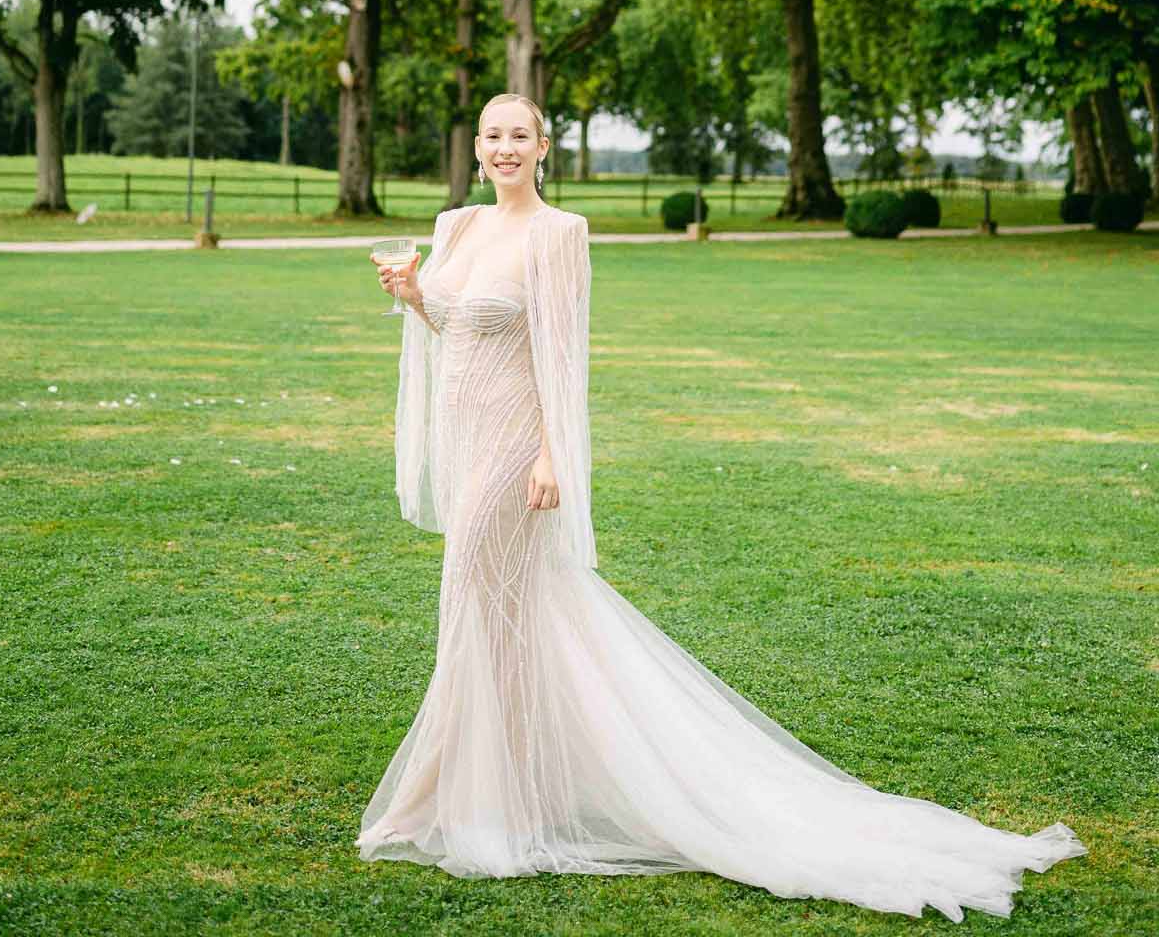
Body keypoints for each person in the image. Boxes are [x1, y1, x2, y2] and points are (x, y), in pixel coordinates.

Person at [357, 91, 1087, 920]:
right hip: (466, 435)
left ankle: (467, 801)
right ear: (479, 149)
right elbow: (452, 324)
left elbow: (565, 358)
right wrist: (413, 292)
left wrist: (554, 455)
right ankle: (500, 785)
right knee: (504, 615)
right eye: (493, 136)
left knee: (473, 600)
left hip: (516, 449)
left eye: (520, 135)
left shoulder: (560, 235)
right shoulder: (457, 227)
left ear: (545, 147)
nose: (505, 148)